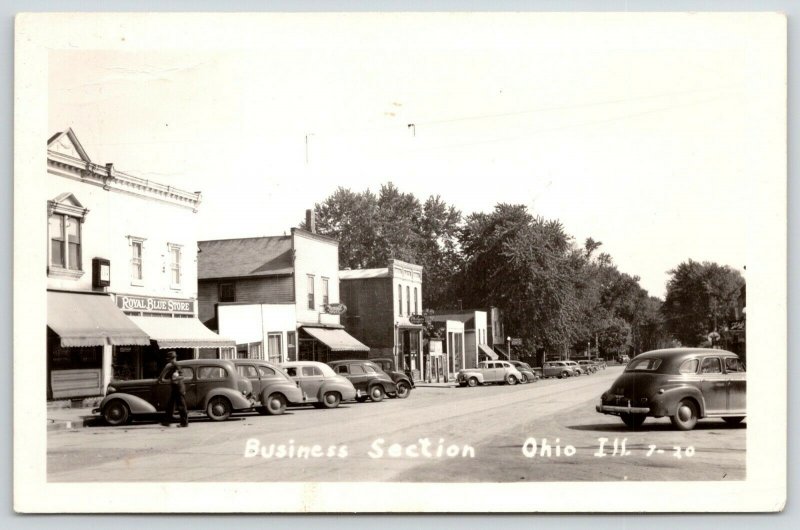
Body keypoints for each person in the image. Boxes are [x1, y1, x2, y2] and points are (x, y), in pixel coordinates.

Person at [161, 351, 188, 428]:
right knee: (170, 405)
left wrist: (175, 377)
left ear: (173, 358)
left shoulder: (176, 365)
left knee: (181, 406)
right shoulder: (172, 366)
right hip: (175, 388)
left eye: (170, 359)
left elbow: (182, 376)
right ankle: (167, 421)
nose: (169, 360)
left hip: (179, 388)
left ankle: (184, 423)